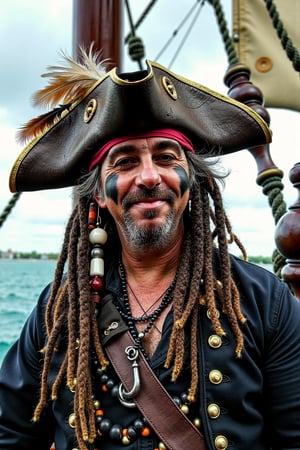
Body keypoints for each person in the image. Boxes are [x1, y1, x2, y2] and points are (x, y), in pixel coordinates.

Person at [0, 47, 299, 450]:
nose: (148, 176)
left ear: (190, 182)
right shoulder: (59, 310)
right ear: (100, 197)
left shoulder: (265, 302)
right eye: (124, 162)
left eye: (165, 156)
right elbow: (10, 433)